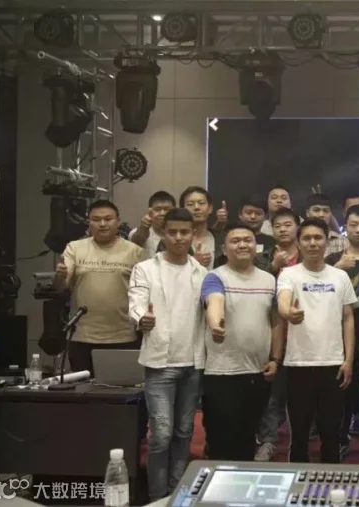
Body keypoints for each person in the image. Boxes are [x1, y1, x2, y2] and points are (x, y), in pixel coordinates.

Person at [128, 208, 207, 500]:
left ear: (193, 234)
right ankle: (157, 498)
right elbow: (136, 302)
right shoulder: (145, 268)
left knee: (184, 432)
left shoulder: (202, 272)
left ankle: (177, 495)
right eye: (172, 232)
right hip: (160, 364)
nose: (178, 237)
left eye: (184, 232)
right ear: (162, 233)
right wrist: (142, 318)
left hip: (193, 362)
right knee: (161, 435)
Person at [200, 223, 282, 460]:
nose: (242, 245)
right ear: (224, 249)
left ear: (256, 246)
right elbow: (214, 302)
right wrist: (215, 324)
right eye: (235, 241)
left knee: (247, 438)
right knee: (221, 438)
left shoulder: (269, 280)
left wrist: (275, 358)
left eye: (248, 240)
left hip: (258, 372)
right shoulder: (215, 276)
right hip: (221, 372)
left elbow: (276, 322)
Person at [278, 217, 356, 464]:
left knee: (330, 432)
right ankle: (297, 481)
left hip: (333, 364)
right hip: (298, 364)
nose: (313, 243)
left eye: (318, 238)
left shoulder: (340, 276)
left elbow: (348, 318)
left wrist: (349, 360)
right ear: (298, 243)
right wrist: (288, 312)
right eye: (307, 238)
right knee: (299, 433)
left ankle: (331, 481)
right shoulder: (289, 274)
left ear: (327, 242)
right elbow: (283, 301)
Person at [54, 199, 146, 373]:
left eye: (108, 219)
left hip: (123, 336)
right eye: (96, 220)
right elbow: (60, 287)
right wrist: (60, 276)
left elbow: (144, 293)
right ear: (88, 222)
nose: (102, 224)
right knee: (82, 387)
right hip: (82, 337)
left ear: (118, 221)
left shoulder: (135, 251)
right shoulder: (75, 248)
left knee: (120, 387)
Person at [326, 205, 359, 459]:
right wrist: (338, 267)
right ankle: (340, 437)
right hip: (338, 333)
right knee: (341, 388)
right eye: (354, 225)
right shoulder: (331, 260)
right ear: (345, 227)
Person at [254, 207, 302, 462]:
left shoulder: (309, 254)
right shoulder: (262, 258)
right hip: (270, 331)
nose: (283, 229)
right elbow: (254, 284)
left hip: (303, 332)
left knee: (301, 396)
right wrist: (273, 267)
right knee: (271, 395)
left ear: (297, 226)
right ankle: (268, 441)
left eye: (288, 224)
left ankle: (301, 443)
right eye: (278, 226)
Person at [129, 191, 176, 258]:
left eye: (167, 209)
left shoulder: (181, 235)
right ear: (150, 211)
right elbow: (135, 243)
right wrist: (143, 228)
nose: (162, 213)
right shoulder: (137, 232)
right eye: (157, 209)